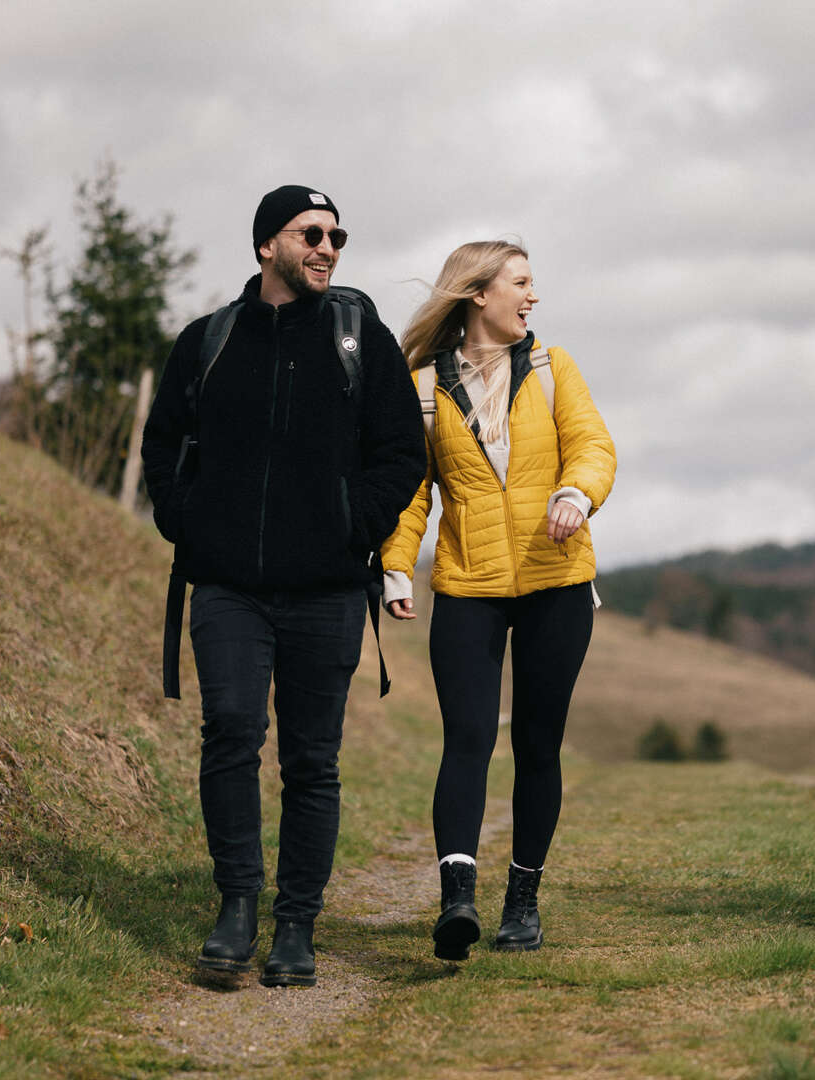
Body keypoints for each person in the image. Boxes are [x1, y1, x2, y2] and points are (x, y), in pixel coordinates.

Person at [142, 185, 426, 987]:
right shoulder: (210, 339)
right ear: (268, 244)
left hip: (329, 590)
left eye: (337, 235)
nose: (328, 247)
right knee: (231, 734)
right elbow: (162, 443)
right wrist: (186, 522)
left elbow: (403, 452)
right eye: (312, 233)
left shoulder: (360, 339)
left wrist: (354, 525)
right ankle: (236, 908)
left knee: (312, 760)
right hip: (227, 583)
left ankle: (296, 926)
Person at [381, 241, 616, 960]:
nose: (533, 295)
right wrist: (395, 566)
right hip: (466, 586)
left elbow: (593, 446)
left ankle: (523, 901)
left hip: (557, 582)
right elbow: (410, 492)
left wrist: (576, 494)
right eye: (520, 282)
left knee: (537, 746)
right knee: (468, 742)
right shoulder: (422, 386)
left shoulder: (552, 369)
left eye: (532, 283)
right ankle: (458, 900)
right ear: (478, 293)